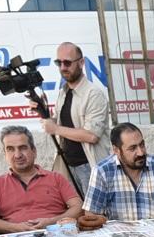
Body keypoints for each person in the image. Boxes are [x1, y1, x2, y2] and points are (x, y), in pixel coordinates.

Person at [0, 126, 83, 234]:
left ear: (34, 151)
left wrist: (51, 222)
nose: (17, 155)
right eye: (10, 149)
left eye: (23, 148)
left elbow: (79, 207)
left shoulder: (56, 178)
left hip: (56, 236)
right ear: (5, 154)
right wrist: (15, 228)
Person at [42, 42, 110, 195]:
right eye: (58, 63)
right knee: (74, 209)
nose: (62, 67)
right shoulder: (63, 92)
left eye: (67, 63)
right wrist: (42, 110)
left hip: (89, 166)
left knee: (95, 210)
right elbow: (59, 123)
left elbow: (92, 135)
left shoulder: (93, 94)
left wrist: (55, 129)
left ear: (81, 62)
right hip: (68, 166)